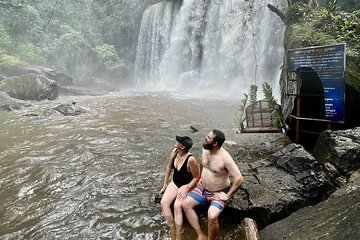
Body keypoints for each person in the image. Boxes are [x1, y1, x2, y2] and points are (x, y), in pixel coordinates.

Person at [182, 129, 244, 240]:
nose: (205, 138)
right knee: (185, 204)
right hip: (202, 188)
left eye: (208, 138)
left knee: (212, 216)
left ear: (215, 143)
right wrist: (200, 177)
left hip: (219, 192)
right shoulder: (205, 148)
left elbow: (239, 178)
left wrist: (227, 195)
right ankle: (200, 234)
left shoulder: (225, 158)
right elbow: (202, 162)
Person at [160, 135, 200, 240]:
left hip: (186, 184)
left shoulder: (191, 159)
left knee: (177, 206)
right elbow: (169, 167)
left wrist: (187, 188)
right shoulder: (174, 152)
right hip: (175, 182)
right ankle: (172, 228)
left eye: (179, 141)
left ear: (182, 147)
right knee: (164, 203)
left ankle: (178, 235)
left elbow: (197, 177)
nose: (176, 141)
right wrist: (165, 183)